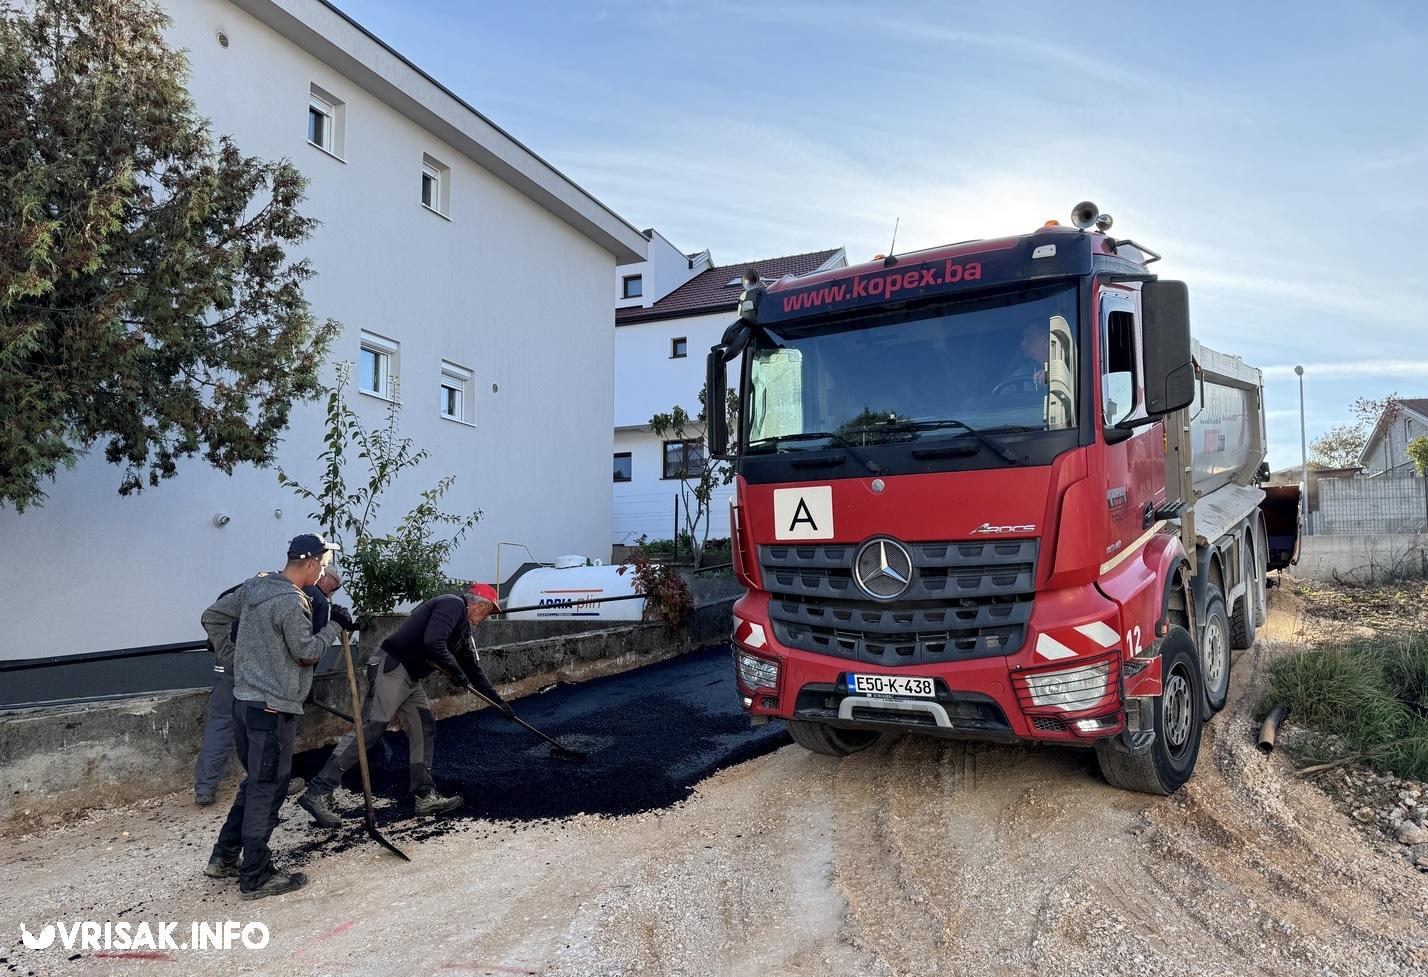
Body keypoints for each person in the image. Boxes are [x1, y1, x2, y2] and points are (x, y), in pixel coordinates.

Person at [201, 534, 355, 900]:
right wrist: (336, 625)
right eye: (322, 565)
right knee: (267, 788)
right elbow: (306, 653)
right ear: (314, 563)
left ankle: (223, 858)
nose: (322, 573)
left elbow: (211, 617)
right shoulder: (291, 601)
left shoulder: (256, 586)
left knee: (256, 781)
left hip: (245, 702)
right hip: (272, 710)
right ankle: (255, 875)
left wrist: (234, 659)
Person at [299, 584, 512, 824]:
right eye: (487, 612)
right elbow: (433, 641)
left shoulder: (462, 629)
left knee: (424, 726)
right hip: (392, 667)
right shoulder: (452, 604)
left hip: (410, 677)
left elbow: (472, 669)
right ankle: (318, 791)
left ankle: (424, 796)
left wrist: (499, 703)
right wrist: (454, 671)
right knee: (371, 728)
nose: (486, 618)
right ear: (479, 604)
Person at [193, 565, 343, 805]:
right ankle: (270, 783)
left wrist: (227, 653)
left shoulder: (260, 583)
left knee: (222, 723)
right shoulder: (309, 598)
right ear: (321, 574)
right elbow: (307, 652)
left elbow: (218, 610)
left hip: (229, 663)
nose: (331, 594)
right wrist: (303, 687)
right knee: (269, 730)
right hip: (263, 675)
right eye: (333, 587)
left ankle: (205, 788)